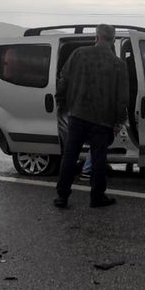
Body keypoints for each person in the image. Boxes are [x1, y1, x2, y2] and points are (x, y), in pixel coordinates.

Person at [54, 24, 128, 208]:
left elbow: (63, 80)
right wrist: (119, 121)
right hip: (103, 120)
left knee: (70, 156)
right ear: (113, 39)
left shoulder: (79, 54)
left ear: (97, 36)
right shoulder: (119, 65)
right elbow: (122, 98)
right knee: (98, 158)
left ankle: (62, 196)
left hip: (77, 114)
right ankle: (97, 197)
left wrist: (62, 103)